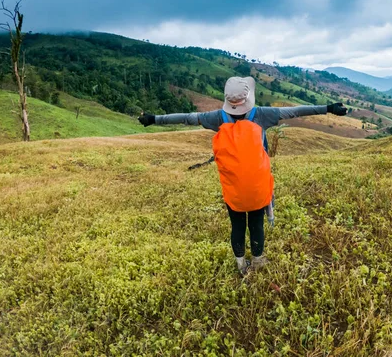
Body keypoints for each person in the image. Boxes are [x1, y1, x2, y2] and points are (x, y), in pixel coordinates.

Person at [138, 76, 347, 275]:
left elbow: (186, 118)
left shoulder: (218, 118)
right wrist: (328, 108)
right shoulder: (262, 114)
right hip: (257, 184)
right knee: (256, 224)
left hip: (233, 186)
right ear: (248, 99)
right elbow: (294, 112)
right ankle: (257, 260)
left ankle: (240, 263)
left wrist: (154, 119)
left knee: (237, 225)